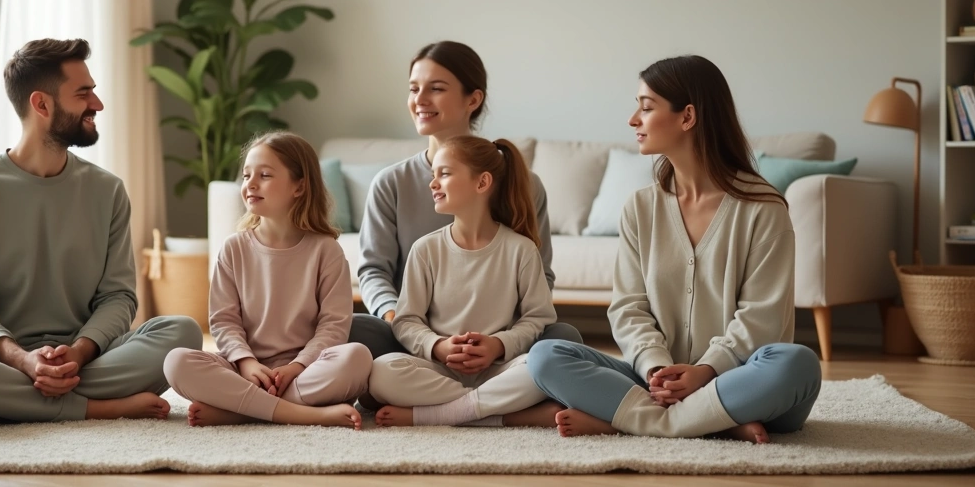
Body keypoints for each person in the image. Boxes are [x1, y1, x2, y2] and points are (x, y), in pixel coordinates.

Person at [0, 38, 202, 431]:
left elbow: (118, 297)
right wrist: (23, 360)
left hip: (90, 358)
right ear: (41, 105)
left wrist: (77, 353)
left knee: (183, 332)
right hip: (1, 360)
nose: (98, 104)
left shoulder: (107, 190)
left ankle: (2, 406)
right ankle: (94, 407)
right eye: (84, 93)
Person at [527, 55, 822, 443]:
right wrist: (655, 368)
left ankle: (636, 421)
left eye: (646, 107)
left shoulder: (763, 209)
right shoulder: (640, 208)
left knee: (798, 364)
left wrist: (707, 371)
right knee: (546, 356)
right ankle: (714, 424)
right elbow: (628, 307)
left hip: (742, 381)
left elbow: (762, 318)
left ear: (687, 117)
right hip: (657, 385)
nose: (634, 119)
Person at [352, 41, 583, 361]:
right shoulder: (391, 183)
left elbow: (540, 274)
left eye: (436, 88)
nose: (419, 100)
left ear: (473, 99)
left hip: (499, 342)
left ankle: (439, 403)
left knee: (563, 338)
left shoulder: (525, 184)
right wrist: (402, 325)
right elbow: (374, 271)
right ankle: (491, 402)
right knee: (354, 330)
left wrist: (501, 341)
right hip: (412, 337)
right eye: (413, 88)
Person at [163, 132, 370, 429]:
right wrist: (247, 363)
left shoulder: (326, 250)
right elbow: (224, 321)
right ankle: (304, 414)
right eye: (247, 175)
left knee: (357, 357)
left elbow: (334, 325)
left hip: (305, 369)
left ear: (299, 186)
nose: (250, 183)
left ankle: (241, 411)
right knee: (176, 362)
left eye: (265, 175)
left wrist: (297, 366)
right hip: (243, 367)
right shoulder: (234, 248)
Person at [367, 136, 562, 428]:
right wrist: (438, 346)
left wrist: (498, 345)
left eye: (444, 174)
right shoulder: (425, 249)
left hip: (499, 368)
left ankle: (437, 415)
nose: (433, 183)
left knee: (539, 370)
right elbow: (406, 321)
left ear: (482, 183)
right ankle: (495, 413)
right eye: (433, 175)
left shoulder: (521, 249)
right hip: (439, 369)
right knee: (382, 372)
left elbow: (537, 318)